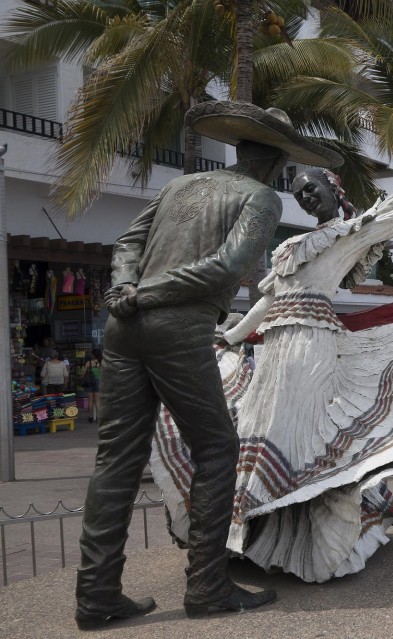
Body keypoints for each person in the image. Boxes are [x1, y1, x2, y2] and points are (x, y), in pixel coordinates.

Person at [151, 141, 393, 585]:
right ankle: (256, 534)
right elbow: (269, 302)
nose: (307, 196)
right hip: (275, 347)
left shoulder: (347, 233)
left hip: (310, 347)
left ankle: (309, 538)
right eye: (300, 192)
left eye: (313, 188)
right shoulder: (292, 246)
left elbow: (388, 219)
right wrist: (229, 335)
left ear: (333, 189)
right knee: (259, 426)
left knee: (293, 433)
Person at [74, 102, 341, 630]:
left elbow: (128, 241)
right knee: (218, 447)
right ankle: (207, 585)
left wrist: (127, 286)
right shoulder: (260, 197)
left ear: (240, 149)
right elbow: (232, 265)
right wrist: (147, 292)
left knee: (115, 461)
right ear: (276, 162)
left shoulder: (180, 187)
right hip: (176, 325)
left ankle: (96, 593)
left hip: (125, 325)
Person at [82, 349, 103, 423]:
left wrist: (82, 378)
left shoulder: (89, 363)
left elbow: (84, 373)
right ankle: (99, 417)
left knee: (90, 400)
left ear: (93, 355)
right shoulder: (101, 363)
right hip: (98, 382)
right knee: (97, 400)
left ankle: (91, 417)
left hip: (90, 382)